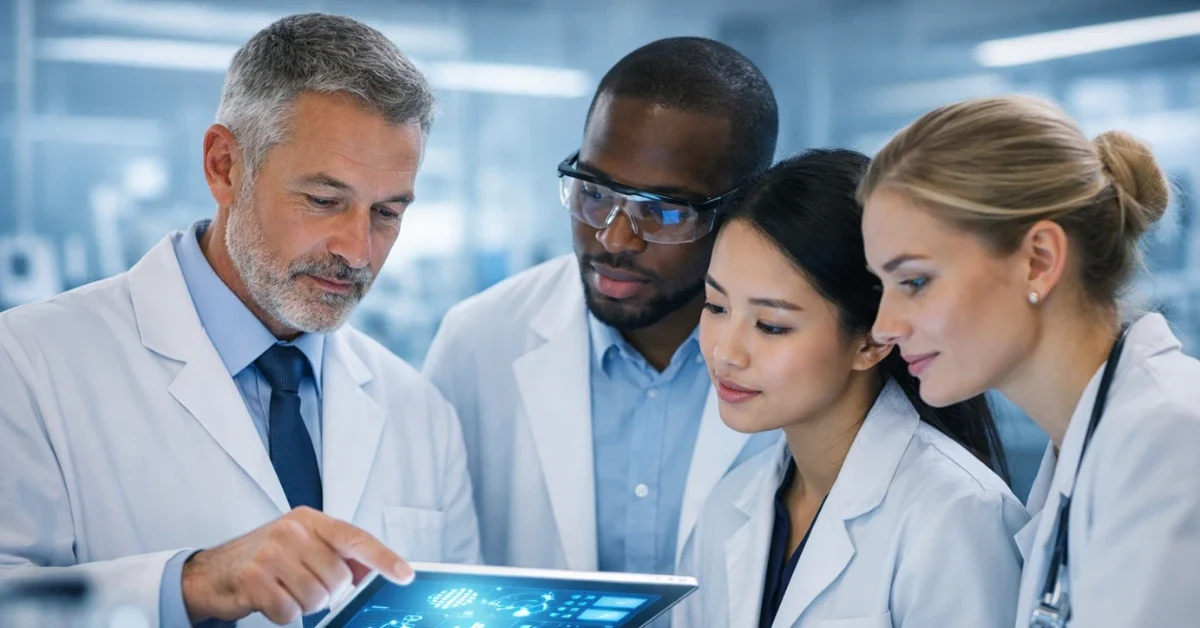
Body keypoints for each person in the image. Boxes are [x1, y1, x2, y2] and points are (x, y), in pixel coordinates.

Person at [0, 13, 480, 628]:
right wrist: (191, 583)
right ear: (224, 165)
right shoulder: (29, 364)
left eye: (386, 212)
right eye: (324, 201)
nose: (357, 252)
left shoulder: (420, 414)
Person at [421, 36, 779, 620]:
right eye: (593, 193)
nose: (614, 239)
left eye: (663, 211)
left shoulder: (799, 357)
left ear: (740, 209)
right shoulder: (478, 342)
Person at [859, 94, 1200, 627]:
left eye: (915, 282)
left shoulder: (1169, 441)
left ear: (1039, 261)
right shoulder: (1087, 446)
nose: (885, 326)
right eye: (882, 286)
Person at [682, 149, 1027, 628]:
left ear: (871, 340)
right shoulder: (729, 507)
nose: (726, 353)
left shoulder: (957, 516)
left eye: (771, 325)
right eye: (716, 307)